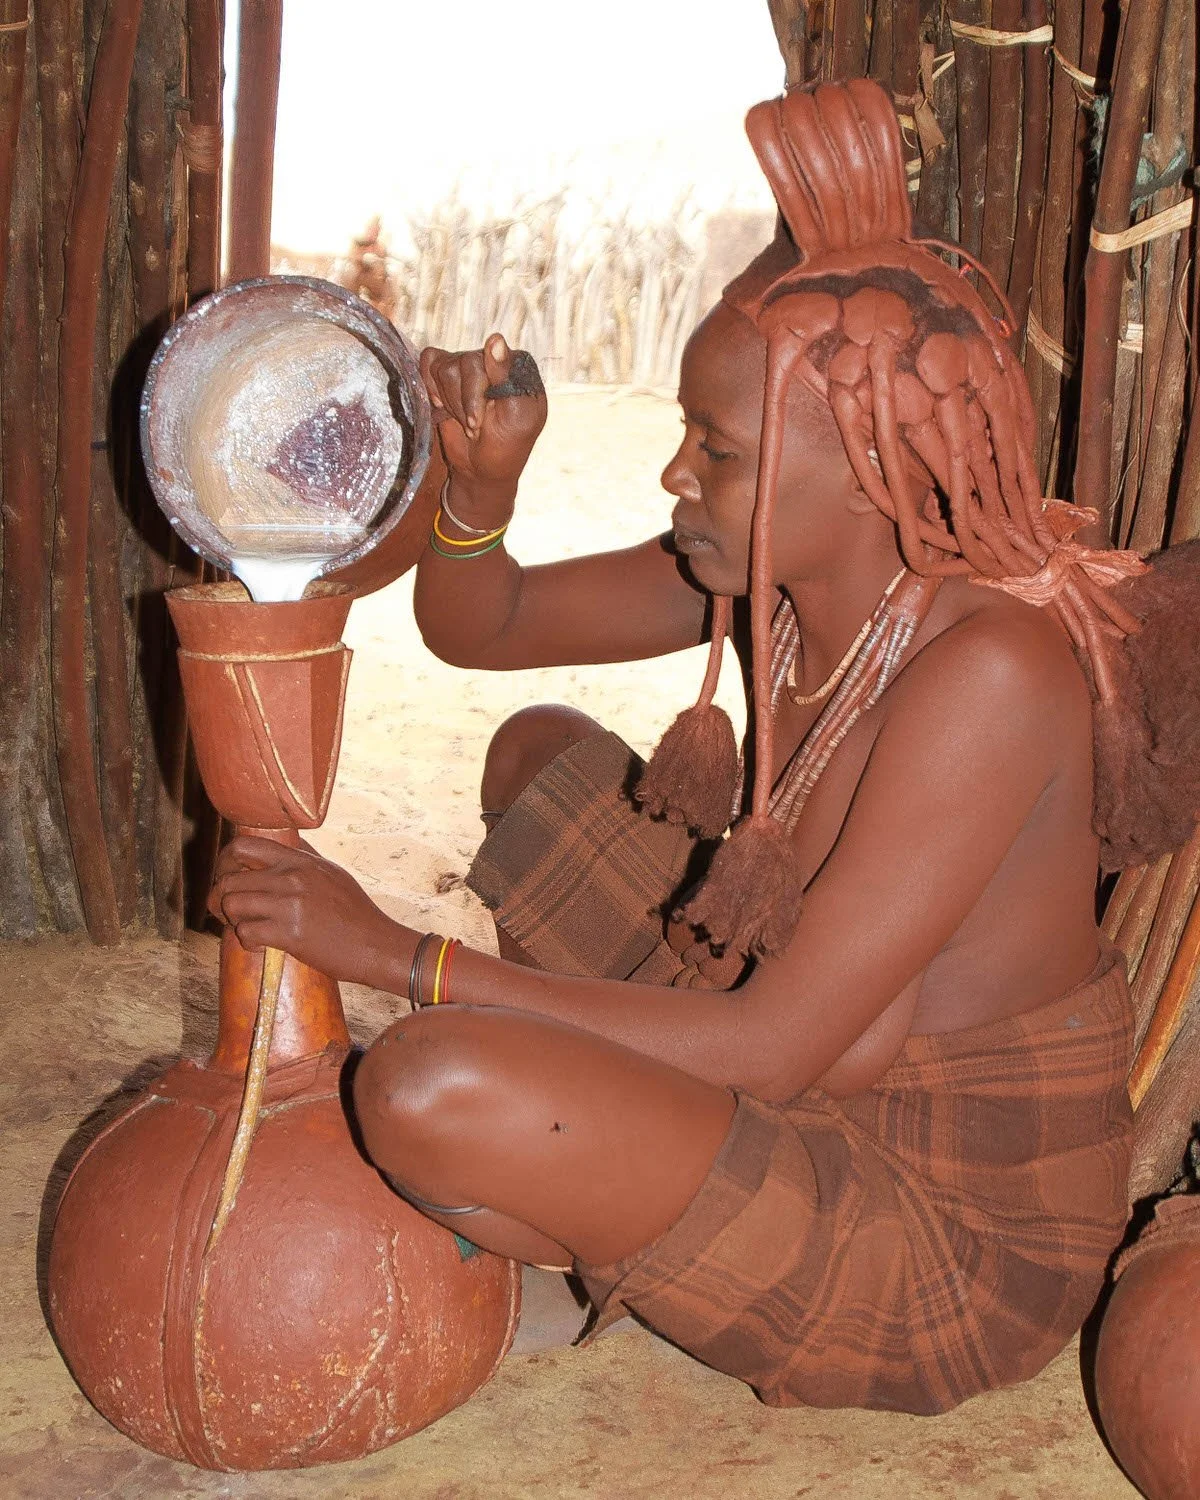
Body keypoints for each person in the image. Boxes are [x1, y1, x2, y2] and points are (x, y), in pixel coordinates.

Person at [210, 80, 1143, 1415]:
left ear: (872, 477)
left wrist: (399, 958)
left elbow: (772, 1049)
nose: (675, 479)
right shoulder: (778, 577)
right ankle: (615, 1187)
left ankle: (594, 1217)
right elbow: (494, 625)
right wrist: (479, 494)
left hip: (936, 1227)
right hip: (799, 1057)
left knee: (425, 1082)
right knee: (540, 763)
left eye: (716, 449)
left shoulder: (988, 674)